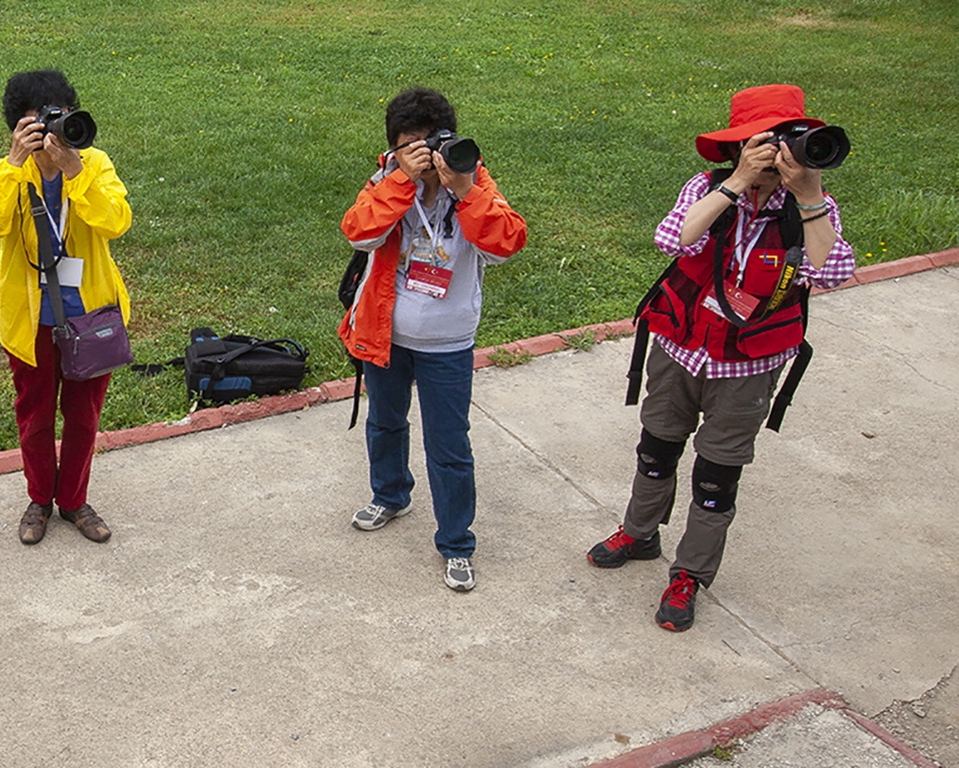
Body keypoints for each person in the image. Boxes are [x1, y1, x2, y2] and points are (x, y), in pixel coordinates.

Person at [586, 84, 856, 631]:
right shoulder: (709, 188)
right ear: (737, 147)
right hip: (680, 349)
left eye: (790, 144)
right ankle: (640, 533)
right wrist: (735, 184)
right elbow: (672, 239)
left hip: (750, 366)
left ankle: (690, 574)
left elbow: (830, 272)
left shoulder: (810, 208)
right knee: (656, 448)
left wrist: (809, 193)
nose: (778, 158)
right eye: (765, 144)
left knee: (716, 477)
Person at [339, 87, 528, 591]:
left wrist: (464, 189)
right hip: (387, 335)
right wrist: (401, 179)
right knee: (384, 423)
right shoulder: (387, 181)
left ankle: (456, 542)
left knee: (448, 445)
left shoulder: (471, 178)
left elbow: (506, 244)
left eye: (432, 141)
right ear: (393, 148)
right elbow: (358, 232)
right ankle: (391, 494)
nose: (425, 154)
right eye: (410, 145)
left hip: (447, 342)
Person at [0, 69, 132, 545]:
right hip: (31, 319)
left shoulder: (94, 163)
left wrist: (76, 172)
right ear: (15, 128)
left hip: (90, 316)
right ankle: (40, 498)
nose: (48, 131)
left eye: (56, 118)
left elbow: (116, 221)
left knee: (84, 418)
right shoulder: (9, 173)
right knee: (35, 416)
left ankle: (74, 501)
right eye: (34, 123)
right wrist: (15, 163)